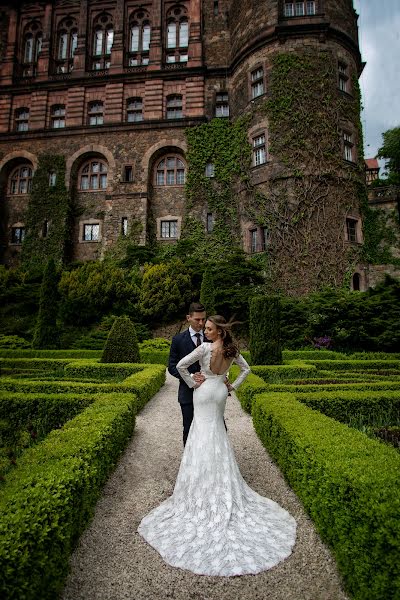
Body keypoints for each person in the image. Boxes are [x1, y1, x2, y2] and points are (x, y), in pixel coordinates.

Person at [138, 315, 296, 577]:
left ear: (219, 330)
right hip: (220, 392)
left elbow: (180, 365)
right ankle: (221, 481)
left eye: (210, 328)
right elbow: (246, 369)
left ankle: (200, 485)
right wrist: (231, 384)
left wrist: (192, 381)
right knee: (217, 435)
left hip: (203, 392)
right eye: (206, 327)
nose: (205, 330)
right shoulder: (232, 349)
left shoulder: (204, 348)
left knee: (201, 434)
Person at [168, 302, 208, 446]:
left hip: (209, 393)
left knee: (215, 427)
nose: (201, 323)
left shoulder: (212, 337)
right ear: (188, 318)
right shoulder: (178, 340)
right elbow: (172, 367)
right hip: (187, 392)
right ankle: (189, 464)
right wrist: (190, 377)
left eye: (203, 319)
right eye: (197, 319)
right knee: (189, 429)